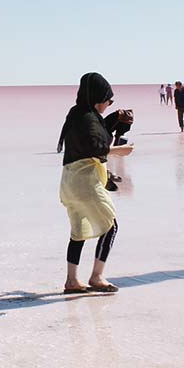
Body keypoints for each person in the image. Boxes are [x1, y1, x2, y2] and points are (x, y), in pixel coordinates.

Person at [58, 72, 120, 294]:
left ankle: (72, 281)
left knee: (78, 232)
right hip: (85, 184)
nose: (108, 104)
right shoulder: (88, 118)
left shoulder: (77, 114)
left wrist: (112, 120)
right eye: (108, 100)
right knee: (110, 226)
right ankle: (97, 276)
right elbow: (96, 146)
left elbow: (92, 137)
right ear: (97, 98)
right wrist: (121, 150)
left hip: (68, 184)